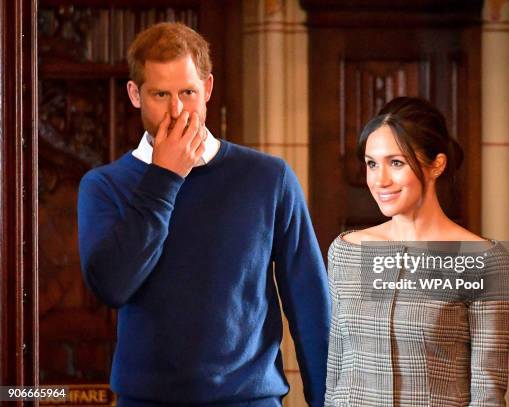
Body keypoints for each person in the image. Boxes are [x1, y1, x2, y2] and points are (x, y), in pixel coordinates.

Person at [77, 22, 330, 407]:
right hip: (146, 400)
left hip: (250, 399)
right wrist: (164, 177)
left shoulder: (269, 177)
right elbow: (112, 286)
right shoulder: (103, 186)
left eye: (188, 93)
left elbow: (310, 302)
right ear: (135, 94)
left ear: (208, 89)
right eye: (160, 94)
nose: (176, 110)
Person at [324, 97, 509, 406]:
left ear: (437, 164)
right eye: (372, 164)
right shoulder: (345, 252)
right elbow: (336, 371)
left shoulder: (482, 262)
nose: (380, 180)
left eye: (396, 163)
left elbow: (487, 392)